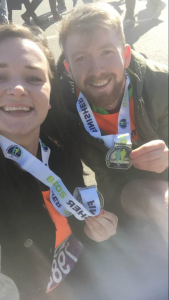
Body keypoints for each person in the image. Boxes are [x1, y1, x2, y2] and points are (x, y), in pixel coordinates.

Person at [54, 3, 168, 298]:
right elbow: (62, 173)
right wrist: (87, 219)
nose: (97, 70)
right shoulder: (61, 106)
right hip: (119, 188)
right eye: (81, 58)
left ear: (126, 55)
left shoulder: (161, 83)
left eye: (107, 52)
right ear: (68, 68)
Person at [0, 23, 118, 300]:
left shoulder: (61, 150)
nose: (17, 88)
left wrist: (95, 231)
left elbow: (74, 214)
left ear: (50, 96)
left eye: (33, 78)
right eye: (0, 76)